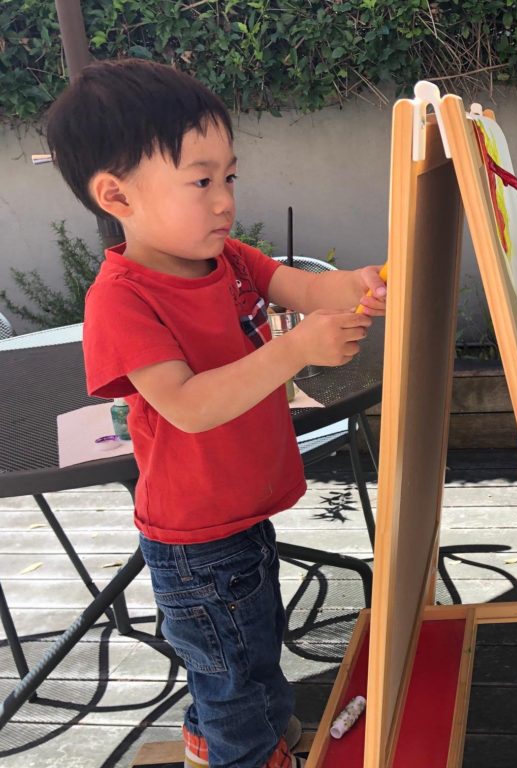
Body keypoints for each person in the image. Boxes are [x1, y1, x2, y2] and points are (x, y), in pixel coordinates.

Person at [45, 59, 386, 768]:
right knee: (235, 670)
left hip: (240, 510)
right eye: (201, 181)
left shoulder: (226, 259)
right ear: (117, 195)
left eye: (229, 176)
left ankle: (220, 737)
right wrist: (294, 352)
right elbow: (188, 406)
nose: (225, 199)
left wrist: (363, 284)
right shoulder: (122, 298)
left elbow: (299, 285)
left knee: (246, 653)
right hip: (195, 539)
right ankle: (243, 750)